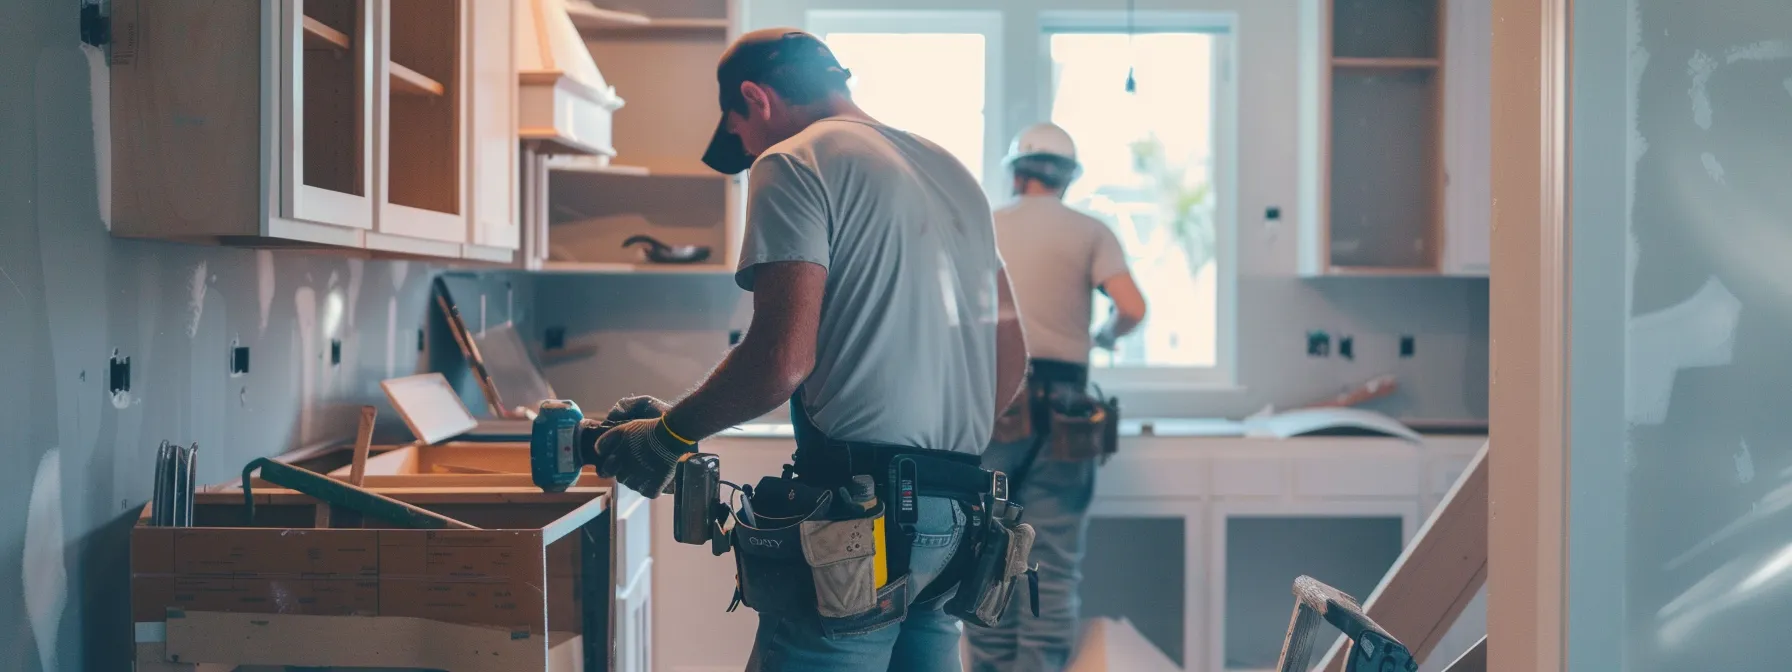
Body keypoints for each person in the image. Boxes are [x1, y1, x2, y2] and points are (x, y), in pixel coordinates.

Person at [589, 28, 1029, 672]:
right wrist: (923, 442)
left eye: (739, 134)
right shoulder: (953, 172)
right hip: (962, 516)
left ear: (755, 99)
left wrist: (668, 435)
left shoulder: (795, 160)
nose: (749, 150)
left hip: (860, 524)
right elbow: (1009, 362)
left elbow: (779, 363)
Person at [966, 123, 1147, 672]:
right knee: (1052, 564)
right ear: (1067, 178)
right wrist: (1104, 337)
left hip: (993, 401)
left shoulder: (983, 227)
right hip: (1066, 412)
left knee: (984, 558)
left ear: (1016, 173)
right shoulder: (1091, 231)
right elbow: (1132, 308)